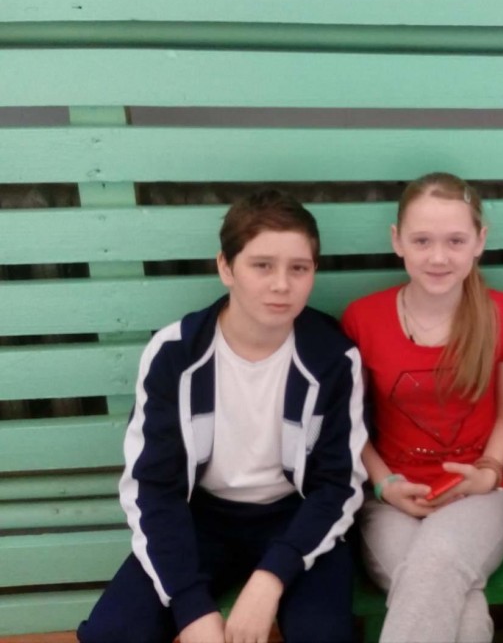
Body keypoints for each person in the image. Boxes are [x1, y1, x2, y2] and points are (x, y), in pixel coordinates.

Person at [78, 189, 367, 643]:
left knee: (323, 634)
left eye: (299, 268)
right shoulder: (176, 353)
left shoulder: (333, 357)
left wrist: (271, 577)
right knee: (112, 634)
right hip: (201, 519)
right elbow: (152, 486)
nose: (281, 284)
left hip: (295, 516)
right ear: (226, 267)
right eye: (262, 265)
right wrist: (191, 607)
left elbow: (337, 486)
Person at [341, 172, 503, 643]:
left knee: (436, 565)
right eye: (422, 240)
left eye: (455, 241)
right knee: (459, 610)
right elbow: (352, 425)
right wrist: (384, 484)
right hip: (393, 499)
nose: (438, 257)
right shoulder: (363, 318)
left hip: (479, 494)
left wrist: (488, 472)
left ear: (480, 241)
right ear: (397, 241)